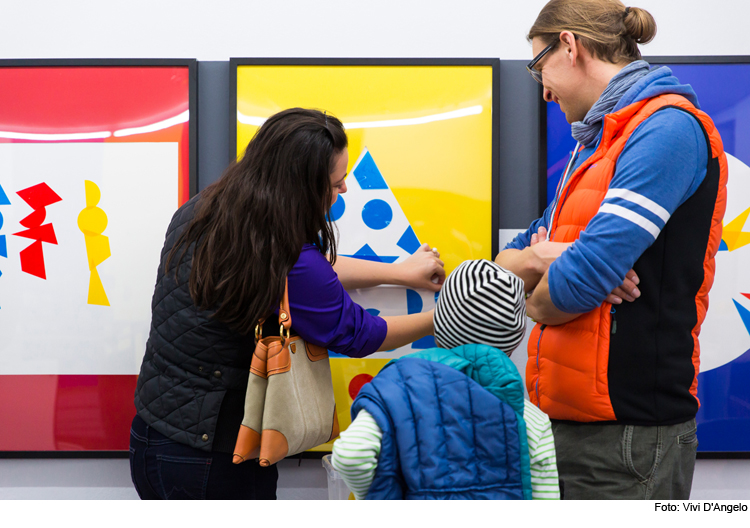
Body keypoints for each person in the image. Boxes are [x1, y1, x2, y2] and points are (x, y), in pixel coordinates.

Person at [128, 108, 445, 500]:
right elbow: (360, 334)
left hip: (150, 437)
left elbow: (300, 273)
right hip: (214, 460)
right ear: (299, 187)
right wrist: (441, 317)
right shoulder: (287, 256)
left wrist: (398, 273)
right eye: (335, 182)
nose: (344, 189)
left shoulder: (206, 209)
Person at [496, 0, 727, 500]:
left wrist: (541, 297)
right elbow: (505, 265)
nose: (542, 88)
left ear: (571, 46)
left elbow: (580, 278)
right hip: (566, 425)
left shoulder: (666, 130)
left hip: (628, 436)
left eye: (539, 66)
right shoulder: (597, 144)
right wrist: (544, 258)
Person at [332, 260, 560, 500]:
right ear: (512, 346)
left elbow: (351, 455)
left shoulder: (397, 394)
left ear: (438, 326)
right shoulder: (530, 419)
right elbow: (546, 497)